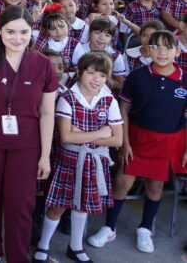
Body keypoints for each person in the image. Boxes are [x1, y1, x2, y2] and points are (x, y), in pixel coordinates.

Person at [0, 5, 58, 263]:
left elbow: (48, 113)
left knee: (21, 205)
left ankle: (17, 256)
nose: (17, 38)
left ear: (32, 31)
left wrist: (45, 156)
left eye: (24, 32)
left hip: (26, 146)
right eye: (11, 31)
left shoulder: (43, 65)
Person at [88, 30, 187, 255]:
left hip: (169, 141)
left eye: (167, 47)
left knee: (155, 185)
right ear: (147, 50)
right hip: (137, 138)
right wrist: (125, 142)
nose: (162, 52)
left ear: (178, 51)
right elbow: (124, 108)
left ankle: (145, 229)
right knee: (122, 181)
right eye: (156, 47)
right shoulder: (138, 75)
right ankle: (109, 226)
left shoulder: (185, 79)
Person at [33, 52, 122, 263]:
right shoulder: (68, 98)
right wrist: (101, 133)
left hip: (94, 162)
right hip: (70, 160)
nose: (95, 79)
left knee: (82, 205)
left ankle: (75, 246)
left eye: (101, 75)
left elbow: (117, 140)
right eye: (91, 73)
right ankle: (43, 245)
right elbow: (66, 137)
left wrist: (81, 136)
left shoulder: (109, 101)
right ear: (79, 73)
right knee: (58, 206)